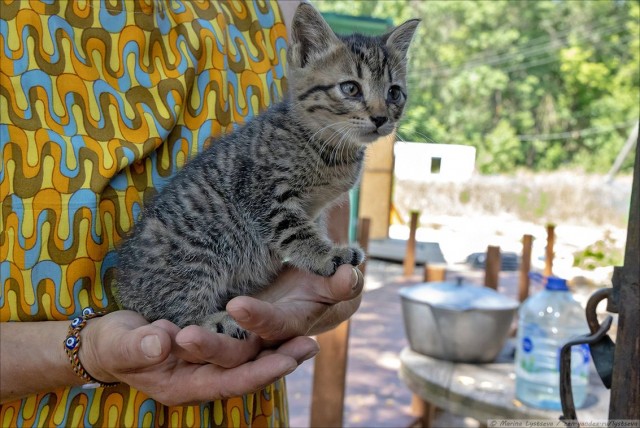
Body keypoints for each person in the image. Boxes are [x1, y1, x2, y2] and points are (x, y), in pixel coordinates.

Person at [0, 1, 364, 426]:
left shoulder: (279, 11)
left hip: (237, 401)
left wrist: (311, 301)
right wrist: (90, 351)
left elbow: (333, 262)